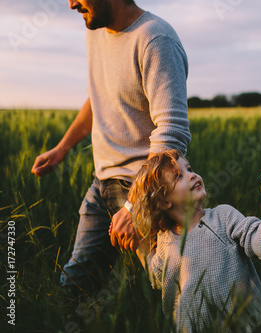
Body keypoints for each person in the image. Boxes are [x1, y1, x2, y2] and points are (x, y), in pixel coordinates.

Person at [31, 0, 191, 297]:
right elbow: (98, 96)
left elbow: (172, 135)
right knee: (75, 287)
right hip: (102, 182)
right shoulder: (95, 30)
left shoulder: (156, 39)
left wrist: (136, 205)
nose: (71, 4)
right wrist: (63, 148)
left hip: (149, 189)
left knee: (173, 295)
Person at [109, 150, 261, 331]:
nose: (192, 175)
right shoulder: (165, 242)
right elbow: (157, 277)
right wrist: (138, 244)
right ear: (163, 202)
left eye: (190, 169)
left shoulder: (223, 217)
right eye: (178, 176)